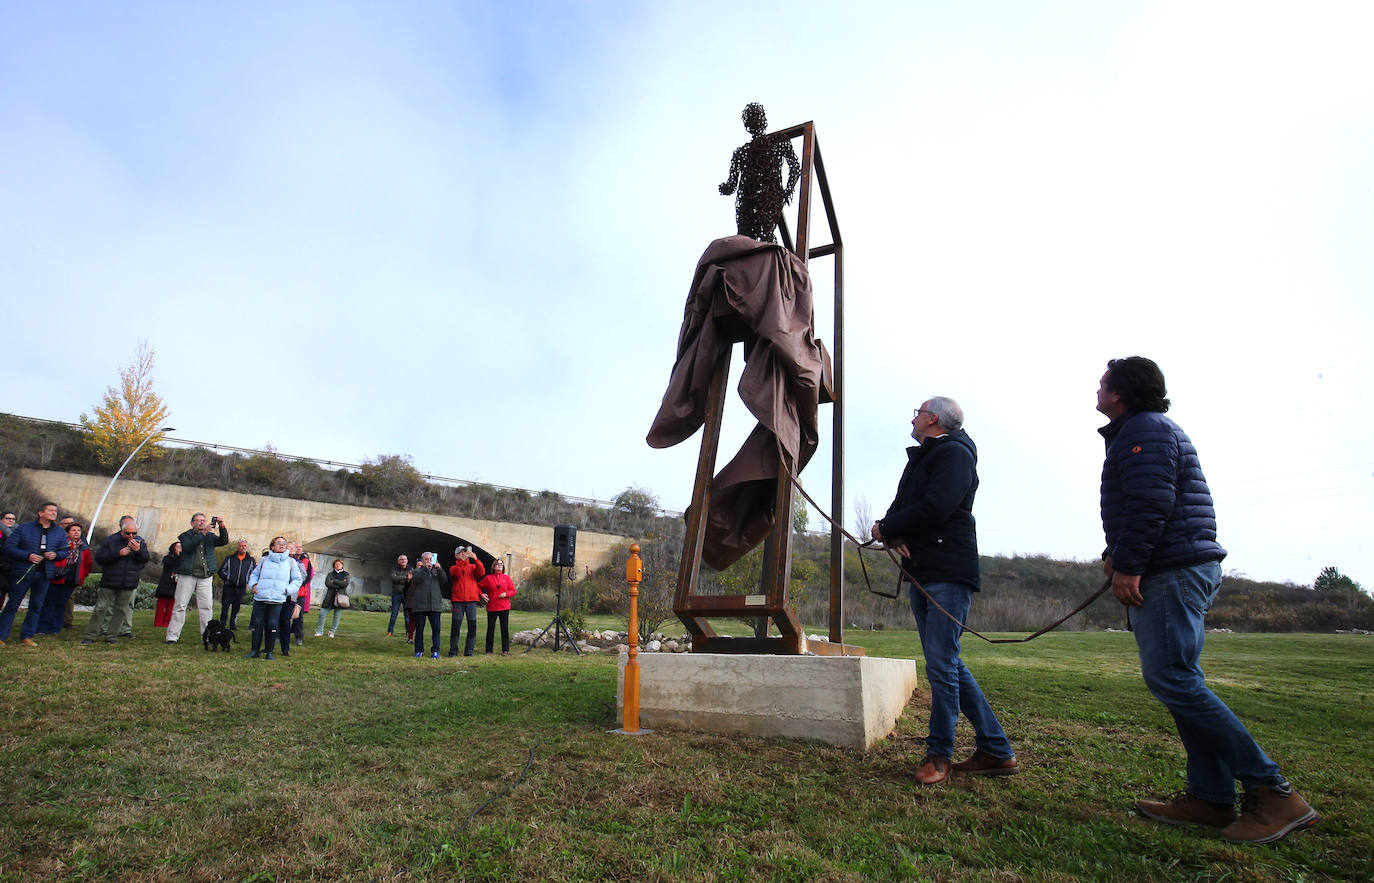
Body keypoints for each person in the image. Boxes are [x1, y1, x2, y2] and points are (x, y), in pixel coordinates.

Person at [1096, 357, 1318, 844]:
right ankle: (1211, 799)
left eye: (1102, 383)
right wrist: (1119, 553)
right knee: (1181, 681)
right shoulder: (1144, 430)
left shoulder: (1146, 431)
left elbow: (1151, 502)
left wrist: (1130, 564)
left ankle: (1273, 792)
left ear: (1120, 393)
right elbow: (1148, 504)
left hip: (1172, 572)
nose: (1096, 389)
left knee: (1173, 679)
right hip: (1173, 566)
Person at [872, 398, 1017, 786]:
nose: (913, 417)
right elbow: (907, 504)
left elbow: (937, 506)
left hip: (947, 572)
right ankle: (997, 751)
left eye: (917, 411)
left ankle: (939, 755)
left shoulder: (954, 453)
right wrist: (893, 528)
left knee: (941, 665)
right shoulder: (923, 457)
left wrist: (887, 528)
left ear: (933, 418)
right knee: (947, 663)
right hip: (924, 568)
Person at [0, 502, 69, 648]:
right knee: (13, 605)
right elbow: (9, 548)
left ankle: (27, 635)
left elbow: (64, 552)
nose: (54, 513)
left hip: (44, 573)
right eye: (50, 510)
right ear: (40, 513)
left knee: (37, 605)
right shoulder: (24, 528)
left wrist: (56, 555)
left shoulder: (59, 532)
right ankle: (2, 636)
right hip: (23, 572)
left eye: (55, 511)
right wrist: (28, 556)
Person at [85, 516, 150, 644]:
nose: (131, 536)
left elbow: (145, 559)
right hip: (110, 580)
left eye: (134, 533)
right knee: (101, 608)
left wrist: (138, 551)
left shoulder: (140, 542)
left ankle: (112, 636)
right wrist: (117, 554)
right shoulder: (111, 540)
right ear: (122, 531)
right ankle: (90, 635)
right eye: (128, 533)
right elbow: (99, 558)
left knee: (121, 610)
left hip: (128, 581)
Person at [166, 513, 230, 644]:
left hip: (205, 576)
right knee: (180, 605)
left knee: (206, 606)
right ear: (192, 523)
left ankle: (207, 636)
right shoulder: (185, 536)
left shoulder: (210, 536)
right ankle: (172, 636)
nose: (201, 523)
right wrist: (203, 534)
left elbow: (224, 541)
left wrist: (222, 526)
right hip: (187, 574)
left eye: (203, 521)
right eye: (198, 521)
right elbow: (188, 547)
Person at [244, 536, 303, 660]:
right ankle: (254, 651)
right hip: (261, 597)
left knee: (272, 624)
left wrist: (287, 590)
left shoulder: (290, 562)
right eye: (279, 543)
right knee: (258, 624)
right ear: (272, 546)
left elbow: (298, 580)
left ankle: (269, 652)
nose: (282, 545)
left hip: (277, 599)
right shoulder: (264, 560)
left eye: (284, 543)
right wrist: (253, 585)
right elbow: (254, 574)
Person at [39, 521, 92, 635]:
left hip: (71, 579)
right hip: (57, 577)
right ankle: (43, 627)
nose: (76, 532)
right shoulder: (61, 544)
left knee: (62, 603)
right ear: (67, 533)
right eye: (73, 530)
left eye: (78, 530)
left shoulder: (83, 548)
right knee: (49, 602)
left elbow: (87, 563)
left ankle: (55, 628)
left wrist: (82, 576)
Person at [408, 552, 448, 659]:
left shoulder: (436, 571)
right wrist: (425, 569)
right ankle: (419, 650)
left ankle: (435, 650)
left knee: (436, 629)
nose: (429, 561)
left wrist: (440, 569)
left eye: (430, 559)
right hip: (420, 606)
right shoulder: (417, 571)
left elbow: (444, 579)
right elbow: (416, 581)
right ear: (422, 560)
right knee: (419, 630)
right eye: (426, 559)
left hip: (434, 606)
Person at [448, 547, 485, 657]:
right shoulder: (453, 567)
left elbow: (481, 572)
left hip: (471, 600)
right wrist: (462, 562)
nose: (463, 554)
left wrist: (476, 559)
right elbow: (456, 574)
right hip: (458, 600)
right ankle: (453, 650)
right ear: (456, 556)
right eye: (460, 553)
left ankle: (469, 651)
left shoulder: (473, 567)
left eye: (465, 552)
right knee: (456, 626)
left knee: (472, 625)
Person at [478, 558, 517, 655]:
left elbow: (513, 591)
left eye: (501, 564)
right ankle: (488, 650)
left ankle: (505, 650)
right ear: (494, 566)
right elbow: (478, 586)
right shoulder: (488, 578)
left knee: (504, 629)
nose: (500, 565)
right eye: (498, 564)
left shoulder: (506, 578)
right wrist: (481, 594)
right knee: (490, 629)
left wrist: (506, 594)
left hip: (504, 607)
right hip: (492, 607)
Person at [216, 540, 255, 630]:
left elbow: (253, 573)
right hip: (229, 586)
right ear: (237, 547)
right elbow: (221, 571)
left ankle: (233, 624)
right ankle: (222, 624)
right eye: (241, 546)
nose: (243, 547)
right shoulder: (230, 558)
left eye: (245, 545)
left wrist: (247, 581)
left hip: (241, 587)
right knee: (225, 606)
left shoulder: (250, 560)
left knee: (236, 606)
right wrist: (229, 578)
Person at [316, 559, 350, 638]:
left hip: (340, 598)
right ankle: (319, 631)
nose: (337, 565)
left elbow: (345, 584)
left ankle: (332, 632)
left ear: (342, 565)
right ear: (334, 565)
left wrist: (334, 581)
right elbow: (327, 584)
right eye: (336, 564)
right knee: (322, 613)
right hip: (329, 597)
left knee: (337, 616)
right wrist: (339, 583)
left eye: (339, 564)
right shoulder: (330, 574)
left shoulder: (346, 574)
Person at [288, 542, 313, 646]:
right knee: (283, 615)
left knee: (299, 616)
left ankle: (299, 637)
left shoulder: (305, 561)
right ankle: (279, 635)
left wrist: (296, 584)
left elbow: (307, 576)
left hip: (300, 592)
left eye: (299, 547)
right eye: (295, 547)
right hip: (287, 591)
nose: (298, 549)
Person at [153, 542, 181, 628]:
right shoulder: (168, 558)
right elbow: (168, 563)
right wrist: (177, 555)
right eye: (178, 546)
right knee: (161, 605)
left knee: (171, 606)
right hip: (166, 583)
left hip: (175, 584)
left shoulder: (182, 558)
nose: (180, 548)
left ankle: (167, 623)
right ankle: (158, 622)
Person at [388, 554, 412, 638]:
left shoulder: (410, 569)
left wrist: (401, 579)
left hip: (406, 595)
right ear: (398, 561)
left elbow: (411, 580)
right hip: (396, 594)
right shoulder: (394, 569)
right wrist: (406, 578)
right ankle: (390, 631)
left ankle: (408, 632)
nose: (403, 561)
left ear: (407, 561)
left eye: (405, 559)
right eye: (401, 559)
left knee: (407, 615)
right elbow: (393, 578)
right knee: (394, 614)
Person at [0, 510, 17, 611]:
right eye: (8, 518)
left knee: (3, 593)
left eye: (13, 519)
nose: (11, 521)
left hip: (9, 568)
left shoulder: (18, 533)